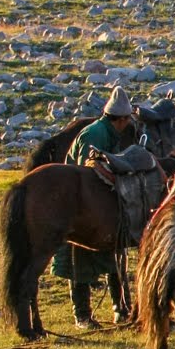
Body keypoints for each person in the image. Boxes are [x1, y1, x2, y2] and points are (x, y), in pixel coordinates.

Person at [53, 86, 140, 327]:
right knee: (79, 260)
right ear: (121, 119)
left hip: (100, 207)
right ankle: (82, 315)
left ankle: (121, 309)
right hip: (81, 208)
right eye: (126, 120)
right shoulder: (96, 135)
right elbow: (87, 174)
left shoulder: (107, 133)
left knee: (114, 256)